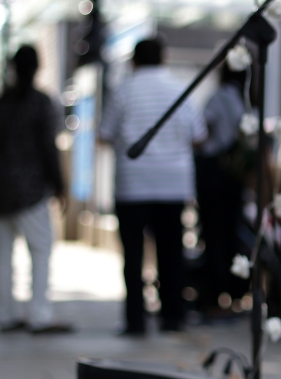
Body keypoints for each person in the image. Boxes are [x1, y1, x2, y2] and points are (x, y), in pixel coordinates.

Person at [99, 38, 207, 335]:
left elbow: (104, 135)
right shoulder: (180, 89)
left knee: (132, 256)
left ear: (134, 60)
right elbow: (199, 135)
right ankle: (173, 316)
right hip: (173, 182)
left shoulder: (123, 90)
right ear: (164, 58)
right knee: (172, 252)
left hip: (132, 184)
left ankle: (136, 320)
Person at [0, 45, 71, 333]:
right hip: (28, 189)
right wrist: (59, 185)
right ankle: (39, 314)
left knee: (2, 255)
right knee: (41, 249)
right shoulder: (40, 102)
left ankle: (6, 314)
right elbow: (48, 147)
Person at [194, 63, 248, 318]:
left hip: (214, 171)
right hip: (235, 175)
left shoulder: (218, 98)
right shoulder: (244, 100)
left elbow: (203, 132)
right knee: (231, 233)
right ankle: (234, 294)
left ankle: (215, 295)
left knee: (213, 235)